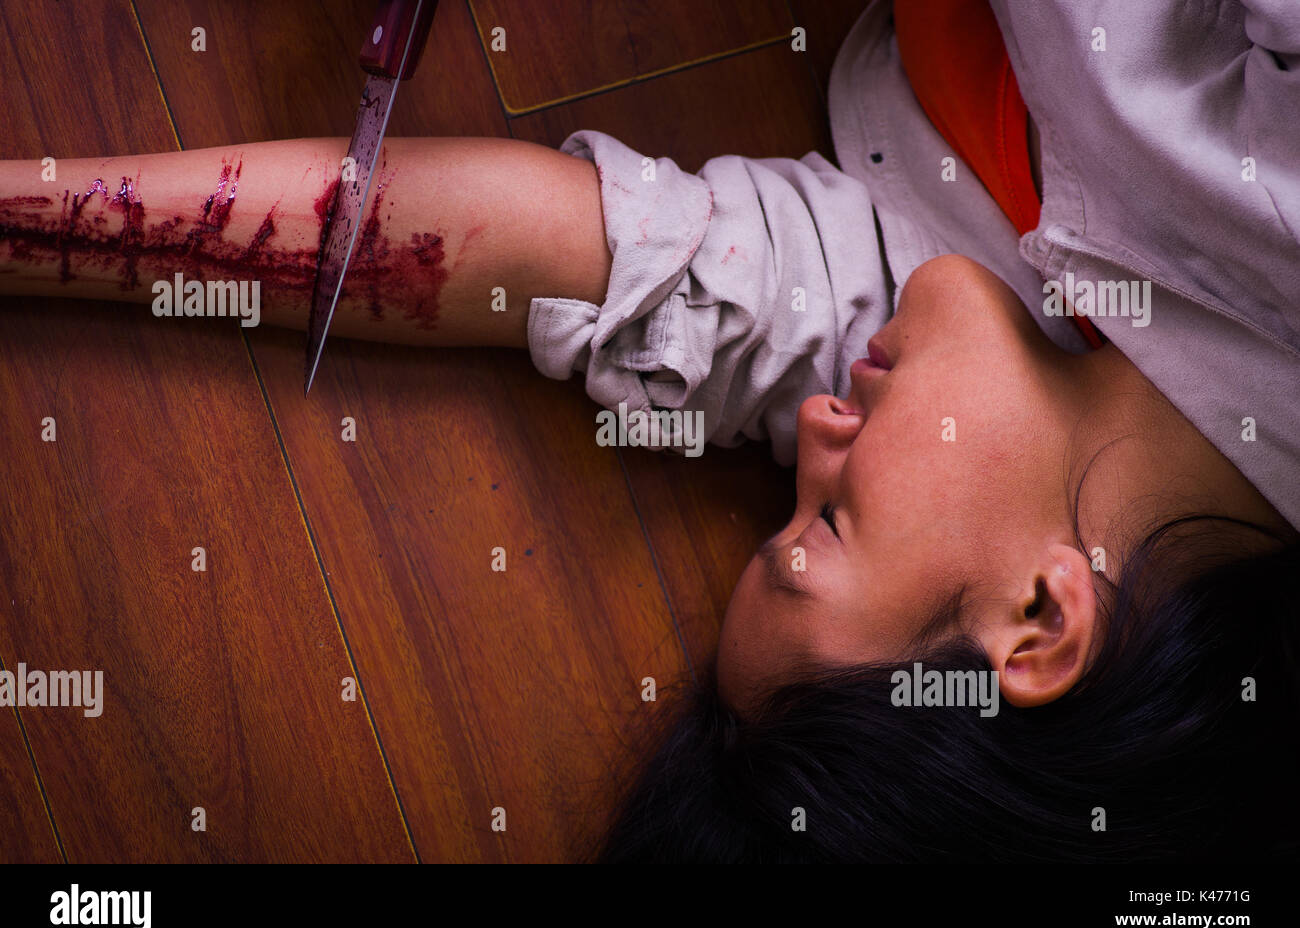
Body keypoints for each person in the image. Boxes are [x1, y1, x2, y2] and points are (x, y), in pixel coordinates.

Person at [2, 0, 1297, 861]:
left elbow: (553, 257)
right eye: (827, 520)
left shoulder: (935, 327)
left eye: (790, 497)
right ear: (1036, 620)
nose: (814, 422)